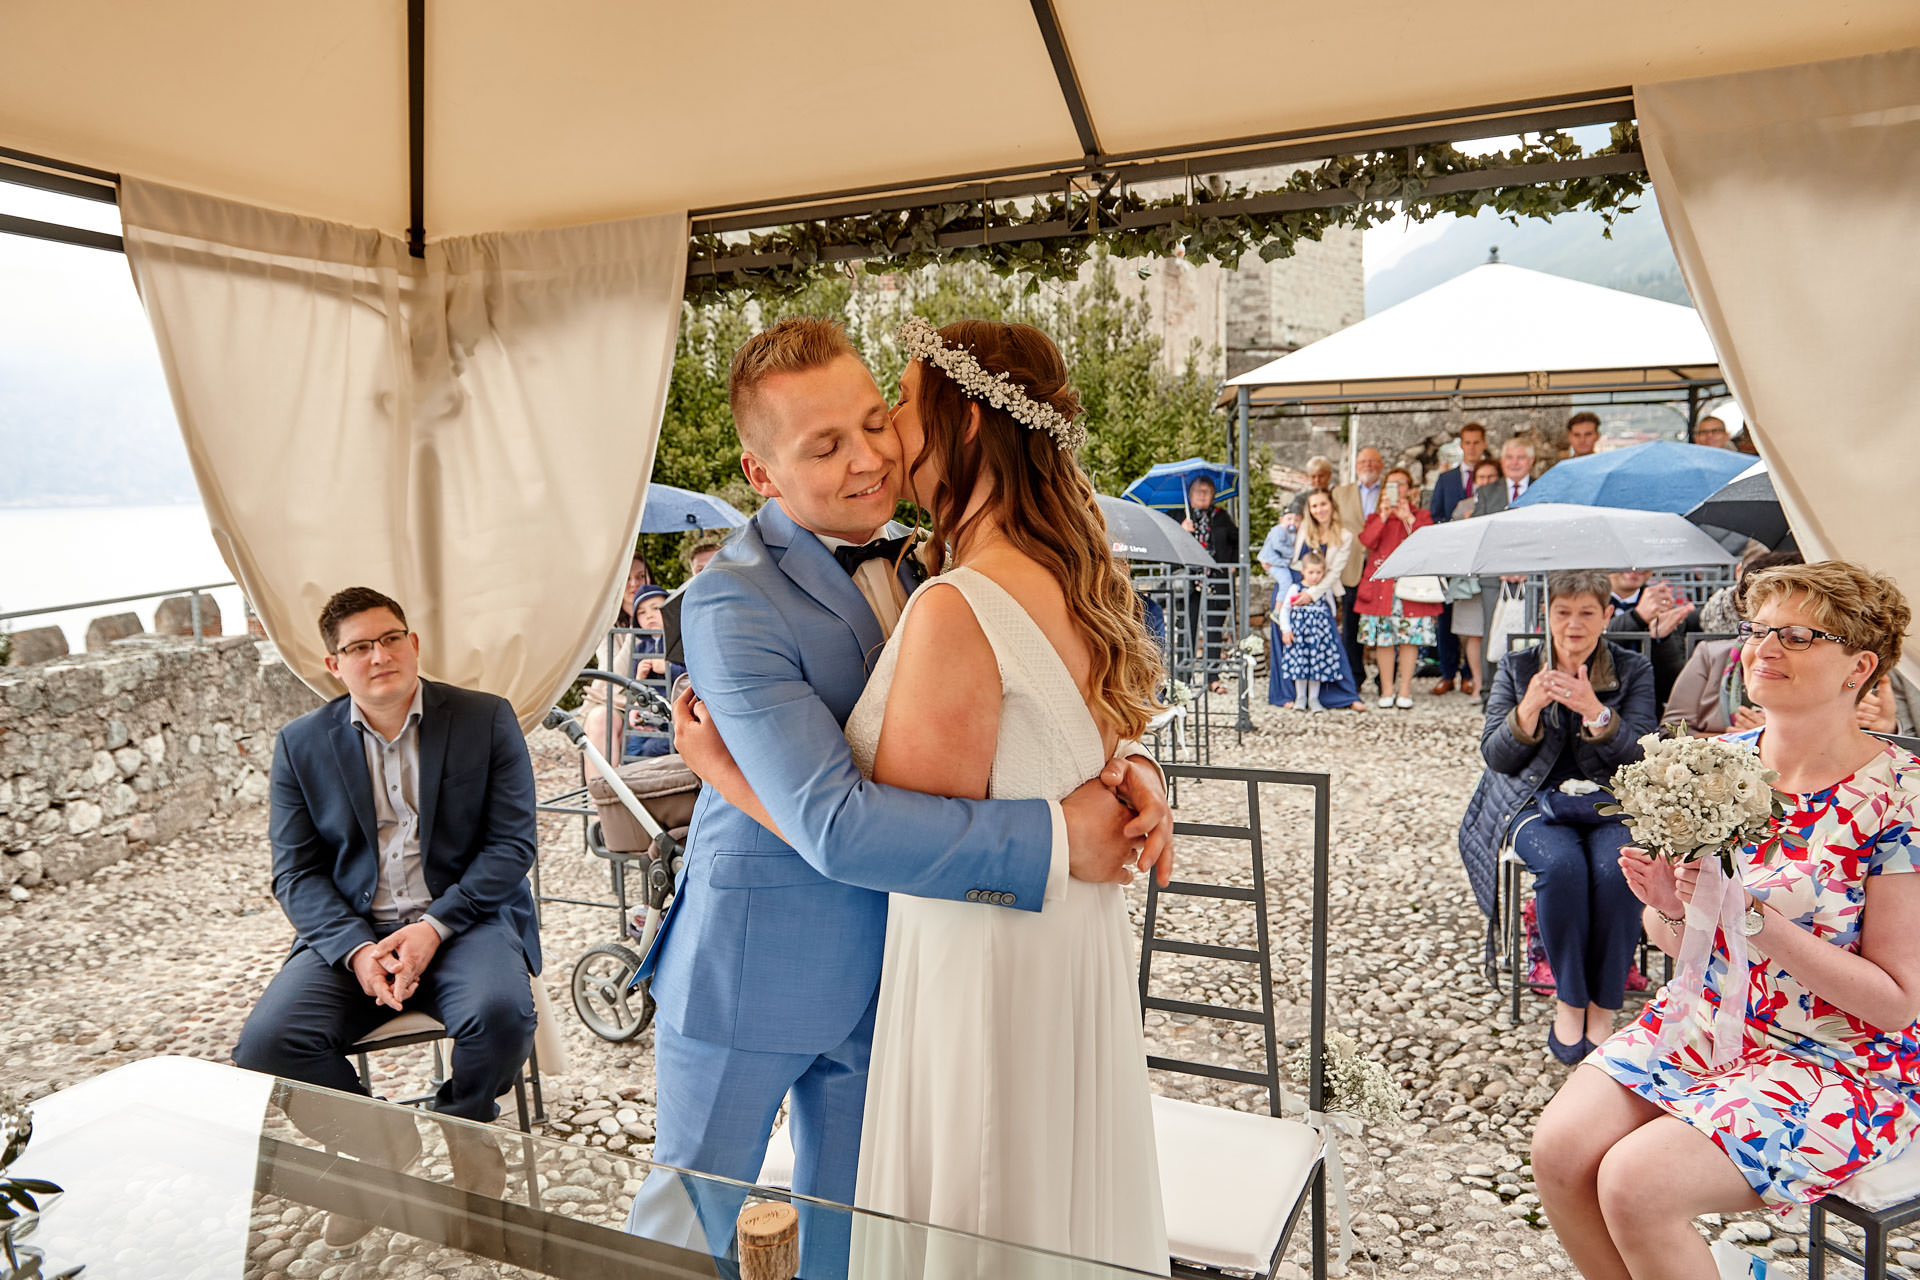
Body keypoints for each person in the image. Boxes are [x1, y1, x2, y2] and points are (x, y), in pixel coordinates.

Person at [624, 317, 1172, 1273]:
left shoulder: (939, 561)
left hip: (910, 976)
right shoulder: (729, 599)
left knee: (862, 1242)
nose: (869, 459)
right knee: (683, 1232)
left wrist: (1132, 766)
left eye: (876, 423)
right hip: (759, 963)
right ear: (761, 474)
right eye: (825, 446)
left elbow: (1035, 706)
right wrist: (1058, 838)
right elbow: (832, 821)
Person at [1533, 561, 1920, 1280]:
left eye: (1797, 637)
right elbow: (1672, 939)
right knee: (1558, 1151)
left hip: (1842, 1058)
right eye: (1757, 630)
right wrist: (1670, 908)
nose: (1763, 649)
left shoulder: (1901, 798)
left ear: (1859, 667)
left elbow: (1896, 1004)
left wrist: (1755, 920)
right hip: (1707, 1017)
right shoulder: (1709, 765)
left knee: (1636, 1184)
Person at [232, 587, 539, 1246]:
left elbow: (512, 846)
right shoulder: (300, 745)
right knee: (266, 1046)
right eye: (360, 647)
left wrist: (434, 928)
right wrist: (356, 951)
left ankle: (465, 1128)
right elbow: (296, 873)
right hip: (356, 931)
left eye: (391, 638)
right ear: (333, 665)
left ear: (414, 643)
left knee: (502, 1014)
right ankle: (381, 1154)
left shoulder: (485, 718)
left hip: (464, 921)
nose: (380, 656)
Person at [1460, 572, 1657, 1062]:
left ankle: (1603, 1004)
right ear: (1547, 615)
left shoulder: (1633, 669)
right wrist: (1529, 707)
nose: (1574, 625)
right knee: (1562, 867)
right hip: (1533, 800)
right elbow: (1496, 757)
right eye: (1563, 613)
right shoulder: (1517, 666)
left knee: (1617, 869)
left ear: (1607, 615)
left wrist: (1596, 712)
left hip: (1612, 801)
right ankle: (1569, 999)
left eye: (1587, 613)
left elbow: (1643, 757)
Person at [1269, 489, 1365, 712]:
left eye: (1323, 504)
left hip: (1320, 592)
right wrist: (1270, 562)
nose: (1319, 510)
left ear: (1331, 506)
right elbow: (1282, 549)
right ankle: (1287, 694)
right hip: (1292, 588)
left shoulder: (1344, 536)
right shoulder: (1302, 528)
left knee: (1328, 645)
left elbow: (1334, 573)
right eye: (1314, 506)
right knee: (1288, 642)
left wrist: (1311, 594)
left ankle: (1344, 696)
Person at [1355, 466, 1438, 709]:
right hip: (1382, 588)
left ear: (1410, 489)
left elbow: (1426, 542)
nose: (1397, 489)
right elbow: (1367, 541)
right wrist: (1383, 516)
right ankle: (1387, 690)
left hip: (1410, 587)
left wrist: (1407, 518)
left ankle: (1405, 690)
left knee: (1410, 639)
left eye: (1401, 483)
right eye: (1391, 484)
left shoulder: (1420, 515)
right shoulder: (1376, 517)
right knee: (1384, 639)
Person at [1428, 423, 1489, 695]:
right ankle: (1448, 673)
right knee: (1446, 615)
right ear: (1461, 445)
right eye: (1468, 442)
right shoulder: (1446, 479)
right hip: (1452, 556)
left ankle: (1470, 675)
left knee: (1478, 617)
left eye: (1477, 442)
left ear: (1483, 444)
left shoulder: (1491, 475)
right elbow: (1436, 515)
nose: (1472, 447)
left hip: (1483, 557)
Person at [1473, 437, 1539, 687]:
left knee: (1531, 633)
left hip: (1533, 577)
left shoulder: (1543, 489)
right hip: (1495, 577)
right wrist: (1499, 566)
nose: (1515, 463)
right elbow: (1480, 533)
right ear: (1502, 461)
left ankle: (1529, 687)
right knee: (1493, 633)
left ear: (1531, 461)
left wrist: (1528, 568)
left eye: (1520, 457)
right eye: (1510, 457)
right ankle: (1490, 692)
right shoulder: (1487, 492)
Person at [1441, 457, 1503, 700]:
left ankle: (1499, 684)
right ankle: (1478, 683)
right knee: (1473, 633)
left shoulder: (1506, 504)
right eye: (1482, 477)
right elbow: (1453, 542)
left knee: (1497, 630)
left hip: (1498, 576)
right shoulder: (1462, 506)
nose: (1486, 481)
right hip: (1470, 580)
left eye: (1491, 477)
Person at [1333, 447, 1386, 691]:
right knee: (1351, 625)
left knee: (1386, 623)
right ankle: (1354, 677)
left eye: (1373, 461)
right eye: (1363, 461)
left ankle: (1385, 679)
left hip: (1382, 564)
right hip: (1352, 566)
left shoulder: (1390, 492)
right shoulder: (1340, 493)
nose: (1368, 465)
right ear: (1356, 466)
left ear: (1381, 465)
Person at [1607, 570, 1698, 709]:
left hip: (1647, 708)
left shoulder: (1662, 606)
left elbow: (1673, 687)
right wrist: (1636, 617)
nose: (1635, 569)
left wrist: (1663, 639)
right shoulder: (1584, 600)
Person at [1181, 474, 1239, 691]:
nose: (1203, 495)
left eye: (1207, 492)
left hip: (1216, 580)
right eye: (1198, 491)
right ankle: (1183, 679)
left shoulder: (1221, 516)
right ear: (1190, 495)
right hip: (1190, 581)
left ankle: (1212, 677)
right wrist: (1182, 531)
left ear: (1213, 495)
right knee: (1187, 628)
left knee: (1214, 628)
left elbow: (1237, 540)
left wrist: (1232, 564)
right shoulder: (1180, 515)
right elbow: (1169, 544)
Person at [1275, 551, 1345, 712]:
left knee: (1316, 665)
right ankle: (1300, 697)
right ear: (1303, 571)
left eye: (1319, 572)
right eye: (1311, 572)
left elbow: (1332, 609)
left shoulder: (1324, 590)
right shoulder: (1295, 588)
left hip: (1318, 637)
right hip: (1300, 636)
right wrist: (1286, 630)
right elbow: (1285, 610)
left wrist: (1328, 630)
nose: (1315, 576)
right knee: (1300, 665)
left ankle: (1314, 698)